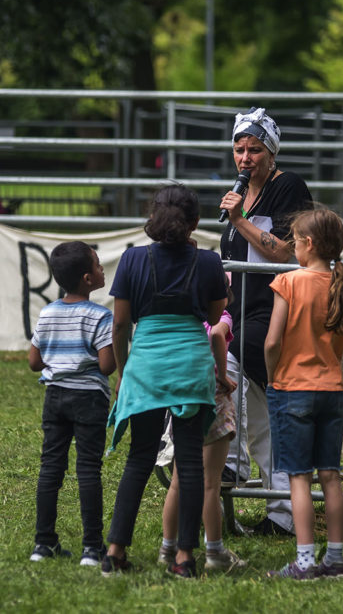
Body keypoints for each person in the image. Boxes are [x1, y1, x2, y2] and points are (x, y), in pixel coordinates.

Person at [103, 184, 228, 579]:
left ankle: (115, 552)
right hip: (191, 365)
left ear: (152, 218)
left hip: (146, 366)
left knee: (139, 457)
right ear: (194, 222)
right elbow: (215, 316)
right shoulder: (209, 262)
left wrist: (124, 373)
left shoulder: (131, 260)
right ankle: (185, 559)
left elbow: (121, 324)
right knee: (190, 463)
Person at [219, 107, 312, 536]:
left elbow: (289, 252)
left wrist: (239, 220)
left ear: (271, 153)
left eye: (254, 149)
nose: (245, 158)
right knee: (264, 422)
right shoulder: (238, 195)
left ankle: (232, 465)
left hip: (275, 311)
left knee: (229, 363)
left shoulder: (287, 186)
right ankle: (283, 517)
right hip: (238, 311)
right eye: (239, 148)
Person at [263, 208, 343, 579]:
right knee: (331, 475)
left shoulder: (288, 282)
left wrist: (273, 377)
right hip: (331, 390)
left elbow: (273, 341)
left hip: (292, 389)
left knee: (299, 477)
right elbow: (339, 346)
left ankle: (304, 561)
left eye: (295, 240)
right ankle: (334, 559)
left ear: (308, 244)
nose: (292, 247)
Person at [27, 241, 115, 566]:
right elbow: (107, 366)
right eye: (98, 264)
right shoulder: (101, 316)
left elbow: (34, 362)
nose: (102, 268)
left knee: (51, 468)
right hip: (89, 399)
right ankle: (92, 548)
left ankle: (43, 543)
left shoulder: (47, 313)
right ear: (88, 279)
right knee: (89, 470)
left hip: (55, 398)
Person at [159, 275, 247, 572]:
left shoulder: (183, 317)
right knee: (211, 484)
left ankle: (167, 547)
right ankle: (214, 552)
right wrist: (222, 374)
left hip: (183, 397)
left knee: (178, 482)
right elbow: (217, 336)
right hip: (212, 400)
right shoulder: (222, 316)